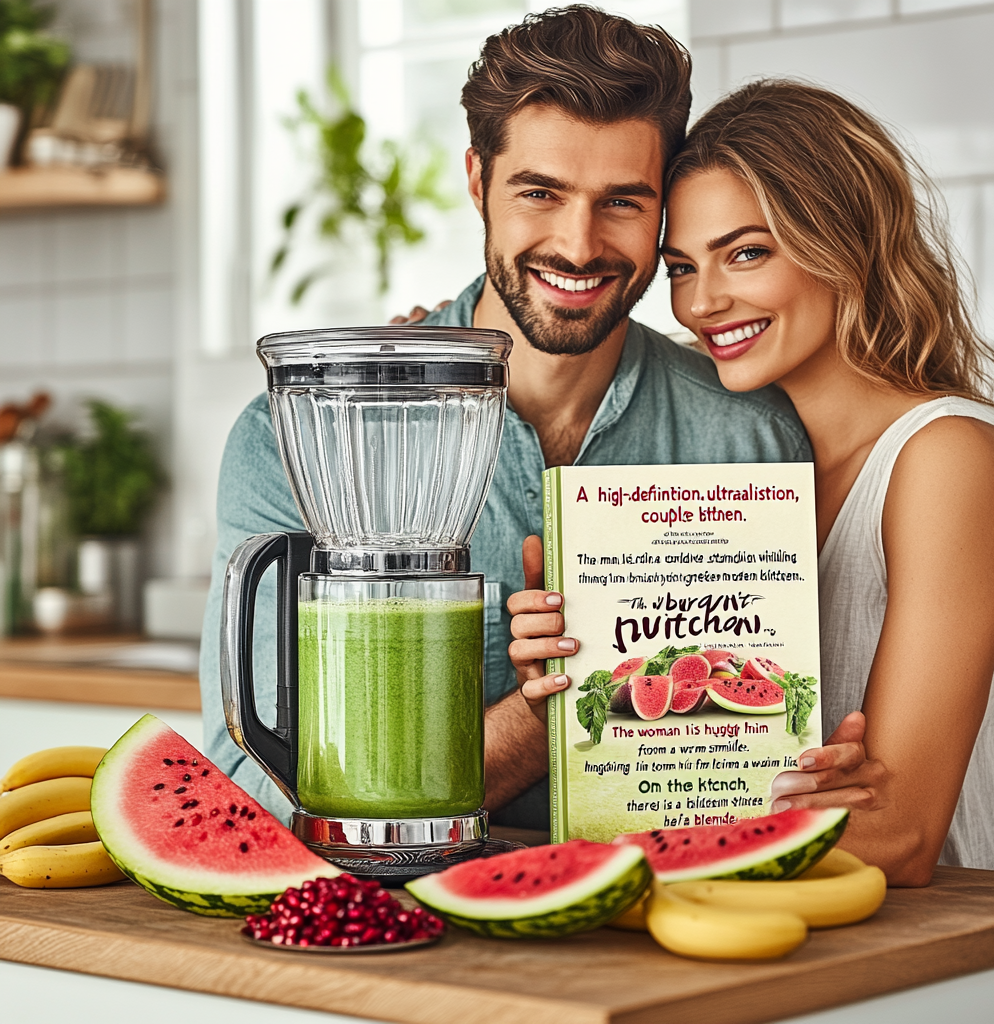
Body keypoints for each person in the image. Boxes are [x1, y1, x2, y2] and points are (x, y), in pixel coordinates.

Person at [198, 8, 811, 830]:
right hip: (386, 936)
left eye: (623, 201)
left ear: (664, 209)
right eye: (540, 193)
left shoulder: (749, 437)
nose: (578, 243)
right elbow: (258, 788)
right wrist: (549, 706)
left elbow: (774, 762)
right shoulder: (298, 439)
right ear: (479, 182)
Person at [512, 79, 994, 882]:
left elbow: (902, 836)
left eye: (746, 252)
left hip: (949, 958)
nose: (703, 302)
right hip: (779, 934)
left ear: (842, 243)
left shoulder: (948, 455)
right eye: (682, 267)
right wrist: (573, 674)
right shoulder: (743, 475)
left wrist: (592, 856)